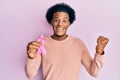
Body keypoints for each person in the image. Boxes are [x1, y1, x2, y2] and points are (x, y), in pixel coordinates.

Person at [25, 3, 109, 80]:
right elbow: (30, 75)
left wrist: (99, 52)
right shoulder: (42, 43)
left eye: (64, 20)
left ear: (69, 23)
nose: (60, 24)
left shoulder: (78, 43)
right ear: (51, 22)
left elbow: (94, 73)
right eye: (56, 20)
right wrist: (31, 58)